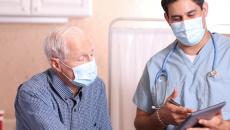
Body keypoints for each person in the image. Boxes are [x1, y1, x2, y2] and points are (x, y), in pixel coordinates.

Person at [133, 0, 230, 129]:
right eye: (177, 18)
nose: (185, 23)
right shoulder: (155, 65)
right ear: (167, 19)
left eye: (191, 15)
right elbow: (140, 123)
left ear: (204, 10)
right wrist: (161, 117)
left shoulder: (226, 52)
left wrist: (224, 127)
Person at [15, 26, 112, 130]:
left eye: (91, 54)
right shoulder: (32, 94)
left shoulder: (97, 86)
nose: (91, 63)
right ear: (56, 64)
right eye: (81, 59)